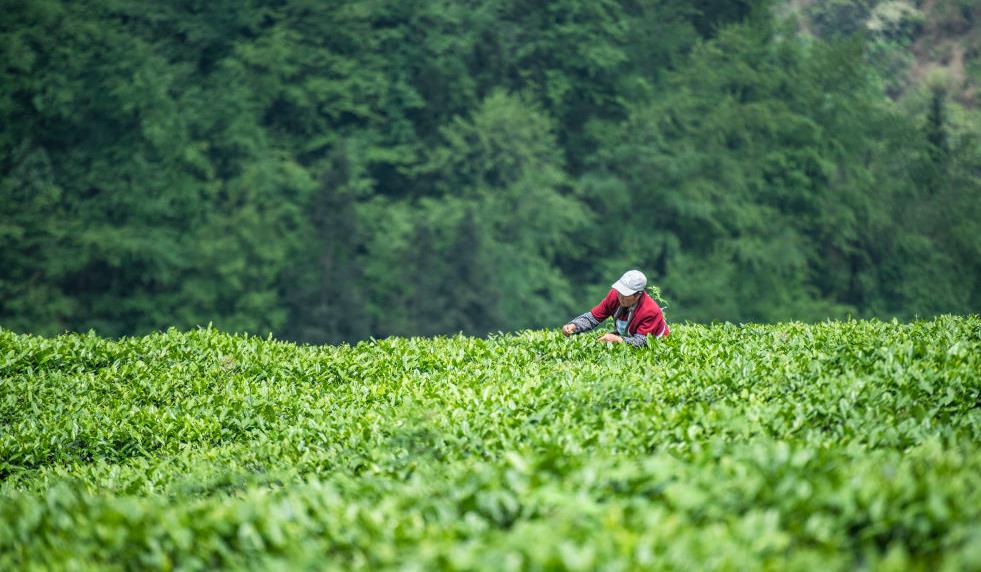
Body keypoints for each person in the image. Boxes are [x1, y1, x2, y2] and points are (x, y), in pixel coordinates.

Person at [562, 270, 669, 347]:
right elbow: (593, 317)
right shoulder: (614, 295)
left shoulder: (650, 311)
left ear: (638, 295)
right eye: (620, 292)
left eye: (625, 294)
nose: (620, 297)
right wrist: (574, 326)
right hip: (625, 336)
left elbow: (642, 341)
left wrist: (618, 339)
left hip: (655, 342)